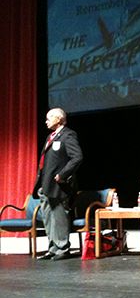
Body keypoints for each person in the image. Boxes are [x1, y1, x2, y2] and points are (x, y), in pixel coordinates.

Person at [33, 108, 83, 261]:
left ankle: (62, 248)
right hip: (46, 185)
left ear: (59, 119)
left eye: (49, 118)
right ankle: (52, 248)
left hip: (59, 185)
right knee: (48, 218)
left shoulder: (68, 135)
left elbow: (77, 157)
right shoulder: (50, 136)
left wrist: (63, 175)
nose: (46, 121)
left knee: (59, 217)